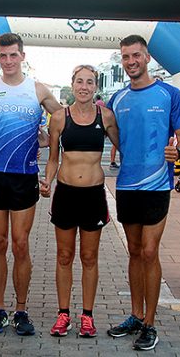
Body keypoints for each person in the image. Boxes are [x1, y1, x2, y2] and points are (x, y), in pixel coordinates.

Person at [106, 35, 180, 351]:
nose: (131, 62)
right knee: (133, 251)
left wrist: (178, 152)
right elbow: (114, 136)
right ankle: (136, 315)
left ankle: (151, 324)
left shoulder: (169, 94)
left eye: (136, 55)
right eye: (125, 57)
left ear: (147, 57)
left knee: (150, 251)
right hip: (126, 185)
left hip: (158, 186)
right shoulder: (117, 98)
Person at [0, 33, 61, 336]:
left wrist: (48, 138)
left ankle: (21, 310)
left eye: (13, 55)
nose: (8, 61)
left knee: (20, 244)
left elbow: (63, 115)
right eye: (3, 56)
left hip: (24, 176)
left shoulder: (37, 90)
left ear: (23, 56)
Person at [40, 65, 118, 337]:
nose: (84, 87)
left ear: (95, 86)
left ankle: (87, 316)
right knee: (64, 256)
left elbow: (127, 147)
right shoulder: (59, 118)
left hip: (93, 195)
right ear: (72, 85)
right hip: (66, 194)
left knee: (89, 257)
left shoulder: (105, 116)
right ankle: (63, 315)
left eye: (90, 82)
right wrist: (47, 180)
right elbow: (52, 160)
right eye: (80, 82)